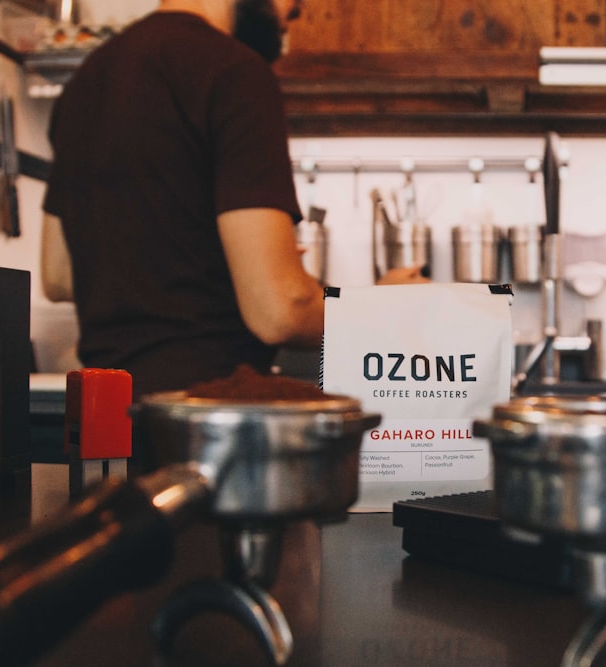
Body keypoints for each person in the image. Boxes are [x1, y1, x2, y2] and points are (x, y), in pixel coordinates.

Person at [40, 0, 425, 399]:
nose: (295, 12)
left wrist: (224, 259)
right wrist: (384, 306)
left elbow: (60, 273)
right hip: (205, 416)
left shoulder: (85, 82)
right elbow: (280, 312)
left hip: (106, 411)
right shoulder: (233, 70)